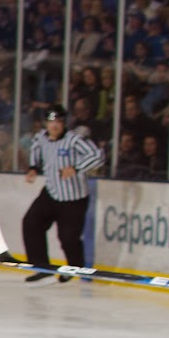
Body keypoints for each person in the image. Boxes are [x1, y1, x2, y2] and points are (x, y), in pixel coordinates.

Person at [22, 104, 105, 284]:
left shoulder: (74, 139)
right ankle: (41, 267)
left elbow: (97, 155)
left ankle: (75, 267)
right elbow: (36, 148)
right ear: (46, 123)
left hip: (74, 197)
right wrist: (33, 168)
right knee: (31, 223)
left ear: (64, 123)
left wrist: (76, 168)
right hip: (51, 192)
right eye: (51, 122)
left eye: (59, 121)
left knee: (68, 237)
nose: (55, 125)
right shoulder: (41, 137)